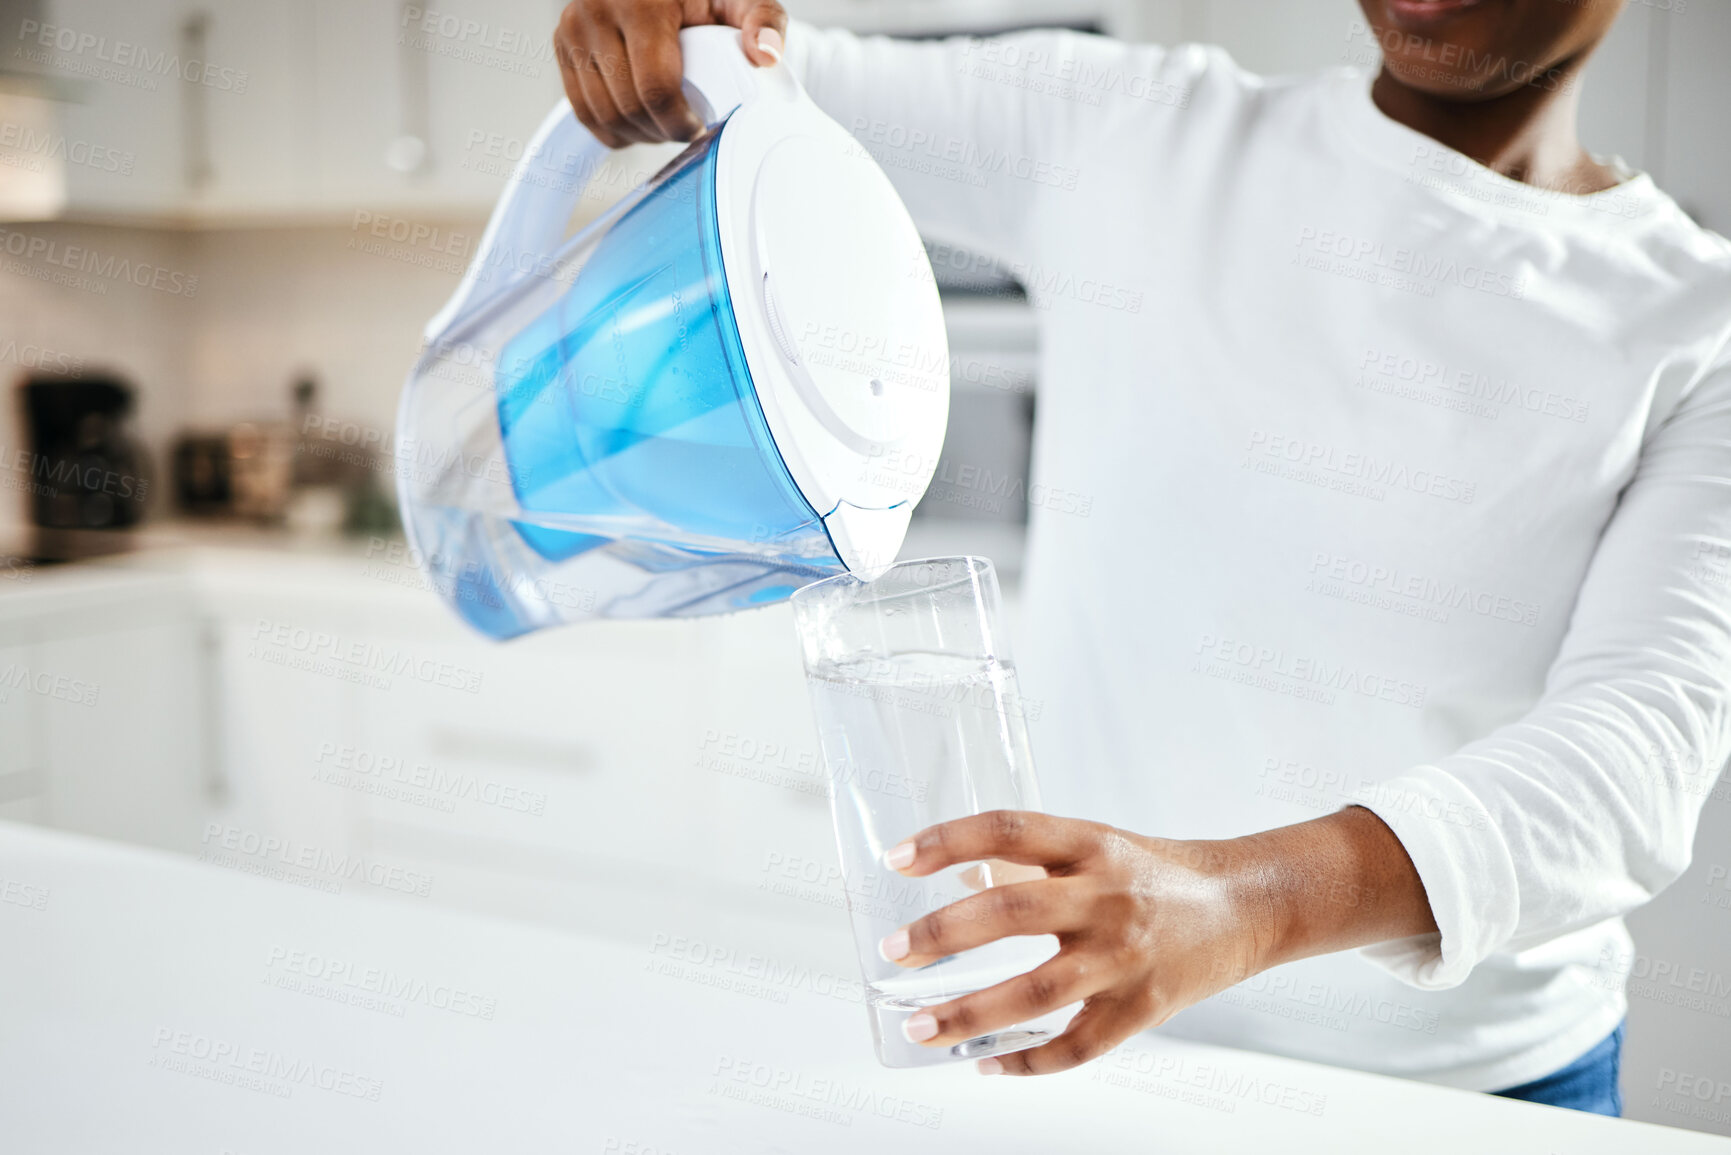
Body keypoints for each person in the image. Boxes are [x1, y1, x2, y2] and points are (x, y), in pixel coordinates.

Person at [554, 0, 1731, 1115]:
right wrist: (658, 26)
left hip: (1480, 1089)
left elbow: (1639, 749)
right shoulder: (1124, 128)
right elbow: (739, 71)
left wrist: (1240, 902)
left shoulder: (1697, 323)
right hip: (1104, 1059)